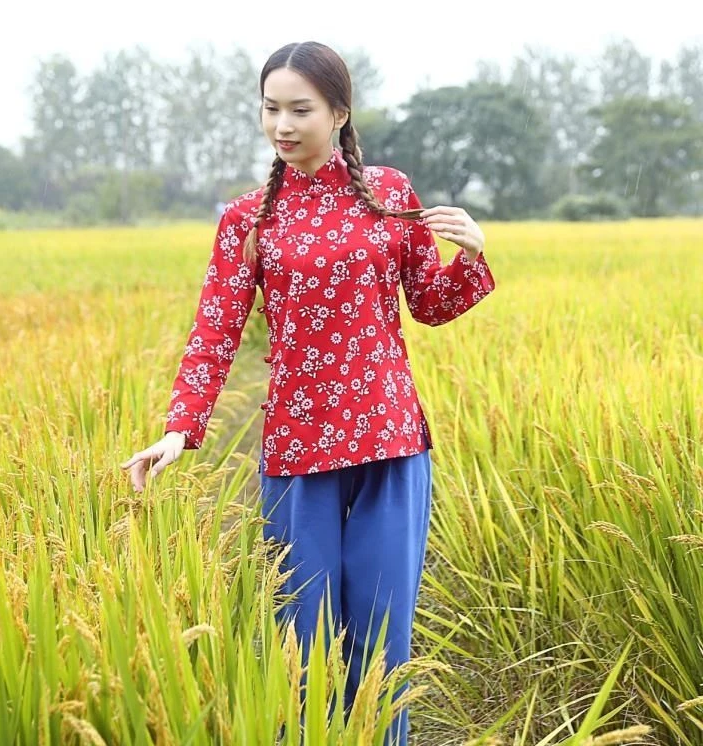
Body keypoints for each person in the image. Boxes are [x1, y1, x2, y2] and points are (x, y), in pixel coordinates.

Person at [121, 41, 496, 744]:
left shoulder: (390, 195)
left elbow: (432, 304)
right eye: (271, 109)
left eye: (301, 109)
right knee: (305, 647)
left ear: (340, 113)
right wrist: (180, 429)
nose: (282, 125)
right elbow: (215, 329)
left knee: (382, 644)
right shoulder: (248, 220)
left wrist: (471, 254)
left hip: (389, 442)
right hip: (297, 452)